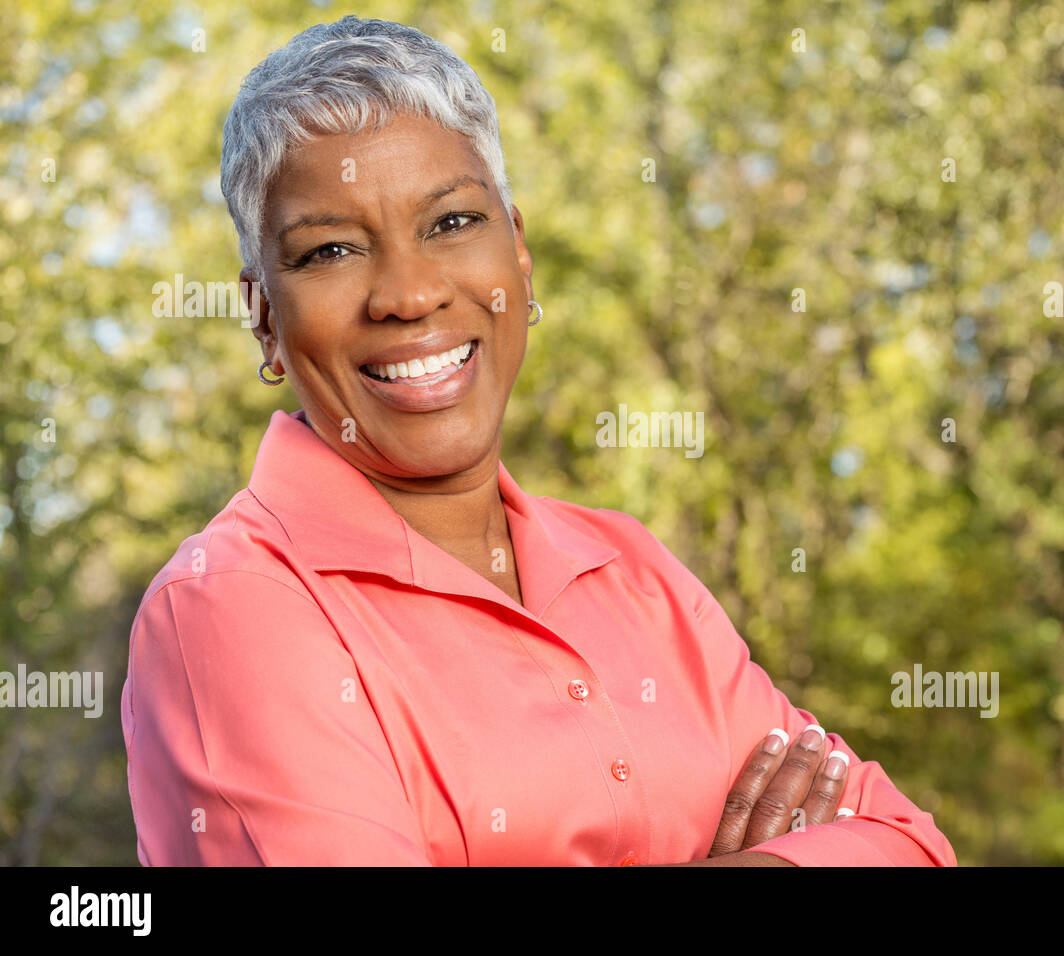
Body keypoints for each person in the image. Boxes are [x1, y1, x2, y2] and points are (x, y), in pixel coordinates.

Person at [120, 15, 957, 867]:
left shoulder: (632, 569)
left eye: (449, 224)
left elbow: (909, 844)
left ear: (518, 257)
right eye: (331, 249)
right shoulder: (228, 607)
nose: (408, 295)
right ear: (264, 317)